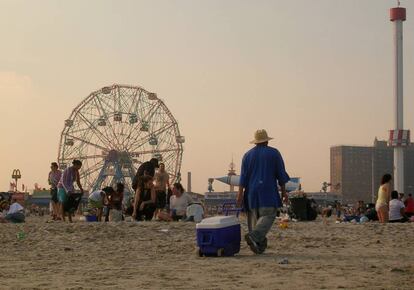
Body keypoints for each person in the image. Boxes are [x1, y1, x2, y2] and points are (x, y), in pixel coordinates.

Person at [237, 129, 290, 254]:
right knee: (268, 215)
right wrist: (284, 192)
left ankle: (258, 245)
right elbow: (281, 175)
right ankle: (254, 237)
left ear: (255, 142)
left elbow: (243, 177)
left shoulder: (247, 155)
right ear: (266, 141)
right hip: (268, 191)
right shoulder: (274, 153)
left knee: (255, 220)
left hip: (251, 194)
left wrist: (239, 195)